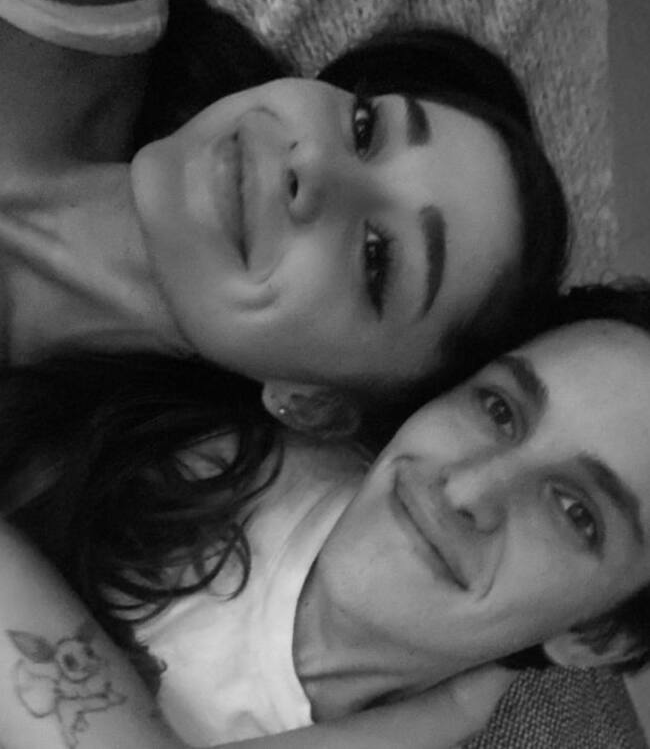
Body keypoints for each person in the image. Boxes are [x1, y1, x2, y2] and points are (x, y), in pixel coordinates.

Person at [5, 281, 650, 746]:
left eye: (576, 512)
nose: (466, 488)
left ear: (599, 636)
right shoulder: (197, 451)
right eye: (499, 409)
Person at [0, 0, 568, 436]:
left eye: (375, 256)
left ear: (313, 405)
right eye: (365, 128)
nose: (312, 164)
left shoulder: (38, 504)